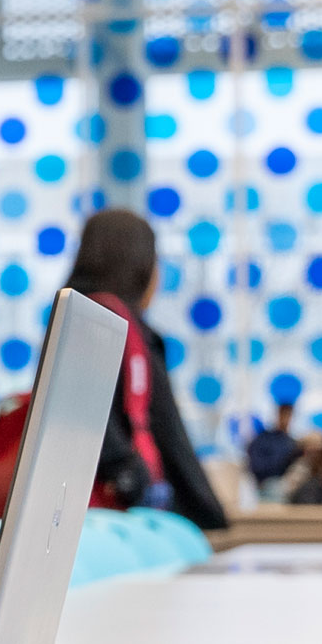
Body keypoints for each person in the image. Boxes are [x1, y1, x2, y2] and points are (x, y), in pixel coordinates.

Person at [64, 209, 228, 531]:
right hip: (119, 516)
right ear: (138, 263)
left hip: (87, 514)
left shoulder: (75, 315)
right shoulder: (113, 325)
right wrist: (210, 511)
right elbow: (168, 432)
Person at [249, 402, 300, 492]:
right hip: (268, 483)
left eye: (288, 416)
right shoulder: (264, 439)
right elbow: (257, 467)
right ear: (277, 415)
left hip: (289, 483)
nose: (286, 420)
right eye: (283, 415)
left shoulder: (292, 442)